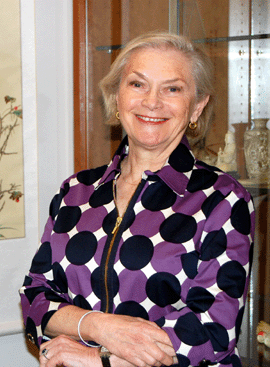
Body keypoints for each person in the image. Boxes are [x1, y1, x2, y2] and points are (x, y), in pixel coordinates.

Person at [19, 32, 255, 367]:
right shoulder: (76, 192)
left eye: (172, 89)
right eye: (137, 85)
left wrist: (98, 358)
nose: (152, 102)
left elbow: (212, 328)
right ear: (116, 97)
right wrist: (100, 326)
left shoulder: (222, 199)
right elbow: (35, 296)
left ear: (197, 106)